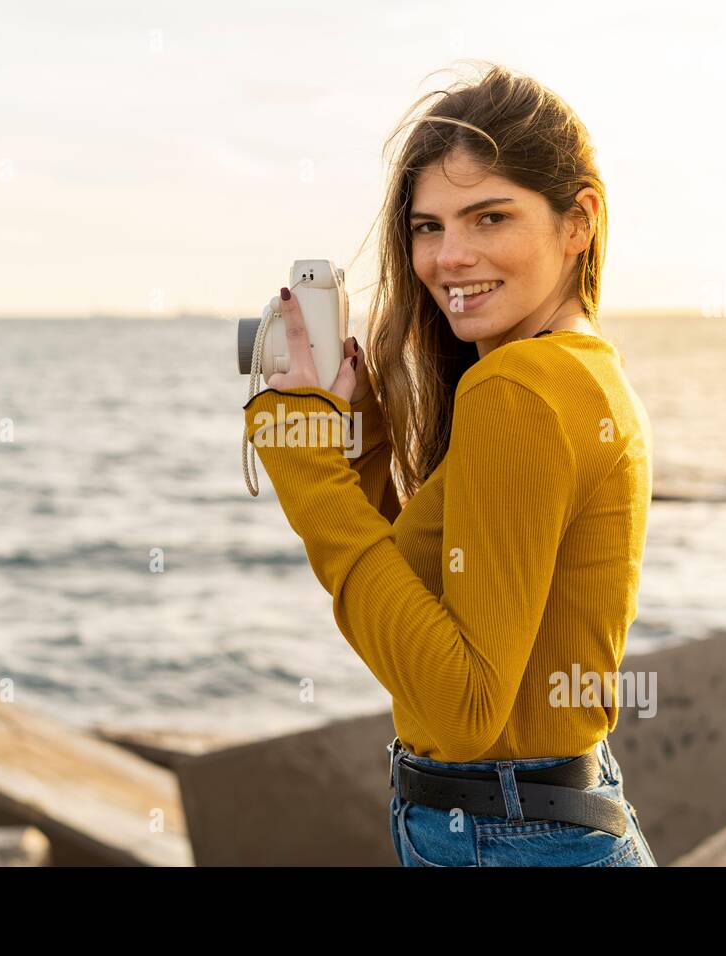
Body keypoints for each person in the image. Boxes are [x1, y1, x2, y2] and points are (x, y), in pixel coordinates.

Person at [242, 63, 656, 866]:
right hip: (548, 819)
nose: (449, 257)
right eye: (428, 227)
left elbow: (463, 704)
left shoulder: (518, 387)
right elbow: (446, 617)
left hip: (506, 837)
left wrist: (303, 464)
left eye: (488, 217)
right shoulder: (583, 369)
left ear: (579, 222)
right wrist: (360, 454)